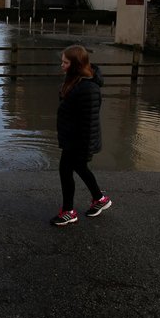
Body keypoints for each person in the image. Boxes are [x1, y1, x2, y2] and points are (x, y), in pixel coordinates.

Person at [50, 45, 111, 226]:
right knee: (79, 169)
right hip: (72, 137)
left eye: (66, 62)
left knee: (66, 171)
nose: (62, 65)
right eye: (62, 61)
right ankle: (99, 199)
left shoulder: (88, 89)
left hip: (79, 141)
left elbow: (90, 121)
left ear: (76, 65)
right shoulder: (74, 80)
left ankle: (68, 211)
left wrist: (87, 149)